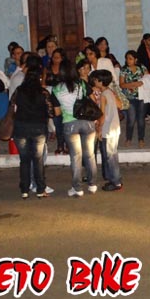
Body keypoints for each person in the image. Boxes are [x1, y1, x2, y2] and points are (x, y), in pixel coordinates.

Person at [12, 55, 59, 199]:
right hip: (38, 128)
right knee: (38, 160)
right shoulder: (43, 92)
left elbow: (12, 107)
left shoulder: (19, 90)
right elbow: (51, 112)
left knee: (24, 159)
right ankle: (40, 189)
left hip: (21, 127)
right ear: (39, 78)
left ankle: (24, 189)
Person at [53, 58, 98, 197]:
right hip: (87, 122)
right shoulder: (81, 84)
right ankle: (92, 185)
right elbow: (93, 100)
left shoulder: (56, 88)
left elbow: (57, 112)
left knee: (75, 157)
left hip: (70, 124)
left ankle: (77, 188)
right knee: (90, 155)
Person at [91, 69, 123, 191]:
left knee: (110, 156)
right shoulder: (110, 92)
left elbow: (102, 115)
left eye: (96, 80)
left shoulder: (104, 95)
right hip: (115, 127)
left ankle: (115, 182)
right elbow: (120, 105)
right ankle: (115, 179)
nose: (94, 82)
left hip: (108, 128)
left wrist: (99, 129)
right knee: (113, 155)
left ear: (100, 81)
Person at [119, 50, 147, 148]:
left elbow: (148, 79)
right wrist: (133, 84)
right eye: (127, 59)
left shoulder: (142, 68)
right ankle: (128, 138)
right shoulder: (124, 70)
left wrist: (142, 83)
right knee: (131, 119)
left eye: (130, 59)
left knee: (141, 119)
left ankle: (141, 138)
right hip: (130, 97)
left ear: (136, 59)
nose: (128, 61)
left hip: (142, 96)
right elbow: (121, 85)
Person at [43, 48, 66, 153]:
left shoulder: (65, 69)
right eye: (54, 57)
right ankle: (59, 143)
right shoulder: (47, 69)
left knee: (64, 120)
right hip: (50, 94)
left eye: (58, 57)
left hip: (63, 95)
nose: (55, 59)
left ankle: (66, 143)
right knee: (55, 119)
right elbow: (43, 83)